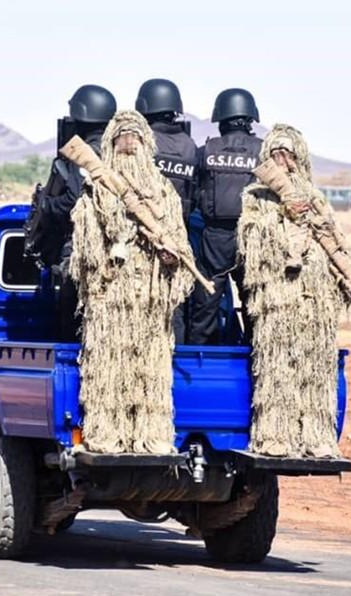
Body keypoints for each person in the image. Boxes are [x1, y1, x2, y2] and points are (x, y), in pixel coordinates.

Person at [69, 110, 196, 454]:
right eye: (121, 138)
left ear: (146, 144)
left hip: (150, 303)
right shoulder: (96, 188)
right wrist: (116, 239)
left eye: (135, 137)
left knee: (150, 372)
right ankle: (107, 434)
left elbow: (180, 242)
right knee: (109, 371)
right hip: (111, 300)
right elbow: (85, 248)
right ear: (110, 144)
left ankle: (151, 435)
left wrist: (170, 254)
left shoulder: (164, 191)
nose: (128, 143)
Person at [237, 124, 351, 458]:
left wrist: (345, 276)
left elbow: (335, 243)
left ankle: (316, 437)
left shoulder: (315, 198)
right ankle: (275, 435)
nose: (282, 160)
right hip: (278, 299)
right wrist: (282, 218)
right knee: (277, 370)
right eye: (276, 154)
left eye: (288, 154)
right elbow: (249, 241)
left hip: (315, 301)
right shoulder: (256, 198)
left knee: (315, 371)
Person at [30, 84, 116, 341]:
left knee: (72, 310)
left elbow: (73, 201)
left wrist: (45, 205)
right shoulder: (116, 151)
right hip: (113, 244)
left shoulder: (86, 154)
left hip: (84, 244)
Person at [186, 88, 263, 345]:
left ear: (220, 118)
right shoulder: (263, 152)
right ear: (250, 118)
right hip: (252, 238)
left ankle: (199, 359)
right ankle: (256, 355)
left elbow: (192, 192)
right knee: (254, 304)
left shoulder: (206, 150)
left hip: (214, 238)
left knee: (205, 305)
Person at [135, 78, 198, 343]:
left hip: (144, 237)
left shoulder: (142, 143)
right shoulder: (189, 145)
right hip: (179, 234)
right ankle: (177, 351)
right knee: (175, 300)